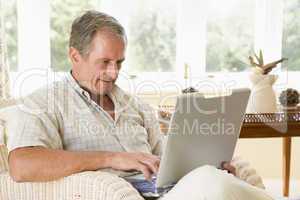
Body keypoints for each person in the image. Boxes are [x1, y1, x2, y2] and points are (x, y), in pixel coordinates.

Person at [7, 10, 273, 200]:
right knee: (212, 185)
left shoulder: (135, 106)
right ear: (75, 55)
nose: (113, 72)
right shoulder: (44, 102)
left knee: (215, 179)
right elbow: (21, 166)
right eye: (104, 62)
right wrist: (111, 158)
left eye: (119, 62)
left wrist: (207, 164)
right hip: (114, 193)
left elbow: (166, 163)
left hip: (166, 194)